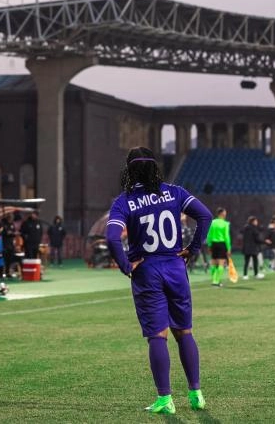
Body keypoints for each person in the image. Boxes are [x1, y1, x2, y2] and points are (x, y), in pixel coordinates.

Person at [106, 147, 212, 415]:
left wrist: (125, 266)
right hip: (176, 267)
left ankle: (165, 399)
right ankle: (196, 393)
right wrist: (193, 248)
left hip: (147, 270)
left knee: (157, 335)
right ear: (155, 167)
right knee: (184, 331)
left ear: (130, 171)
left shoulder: (124, 201)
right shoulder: (175, 192)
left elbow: (112, 237)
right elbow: (205, 216)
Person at [206, 207, 231, 287]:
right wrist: (228, 248)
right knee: (221, 263)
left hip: (213, 244)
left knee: (213, 262)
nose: (225, 214)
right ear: (222, 214)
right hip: (221, 244)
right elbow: (226, 237)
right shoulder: (225, 224)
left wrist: (209, 245)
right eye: (225, 212)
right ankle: (216, 281)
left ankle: (213, 280)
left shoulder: (212, 223)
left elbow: (209, 235)